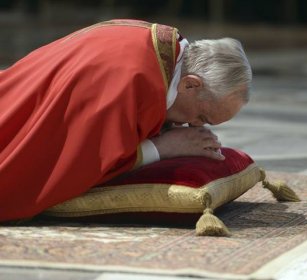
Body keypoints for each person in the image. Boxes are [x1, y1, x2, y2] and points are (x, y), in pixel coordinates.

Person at [0, 19, 252, 222]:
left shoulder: (163, 48)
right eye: (201, 117)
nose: (195, 126)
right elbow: (81, 160)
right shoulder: (128, 83)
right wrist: (163, 148)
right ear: (190, 84)